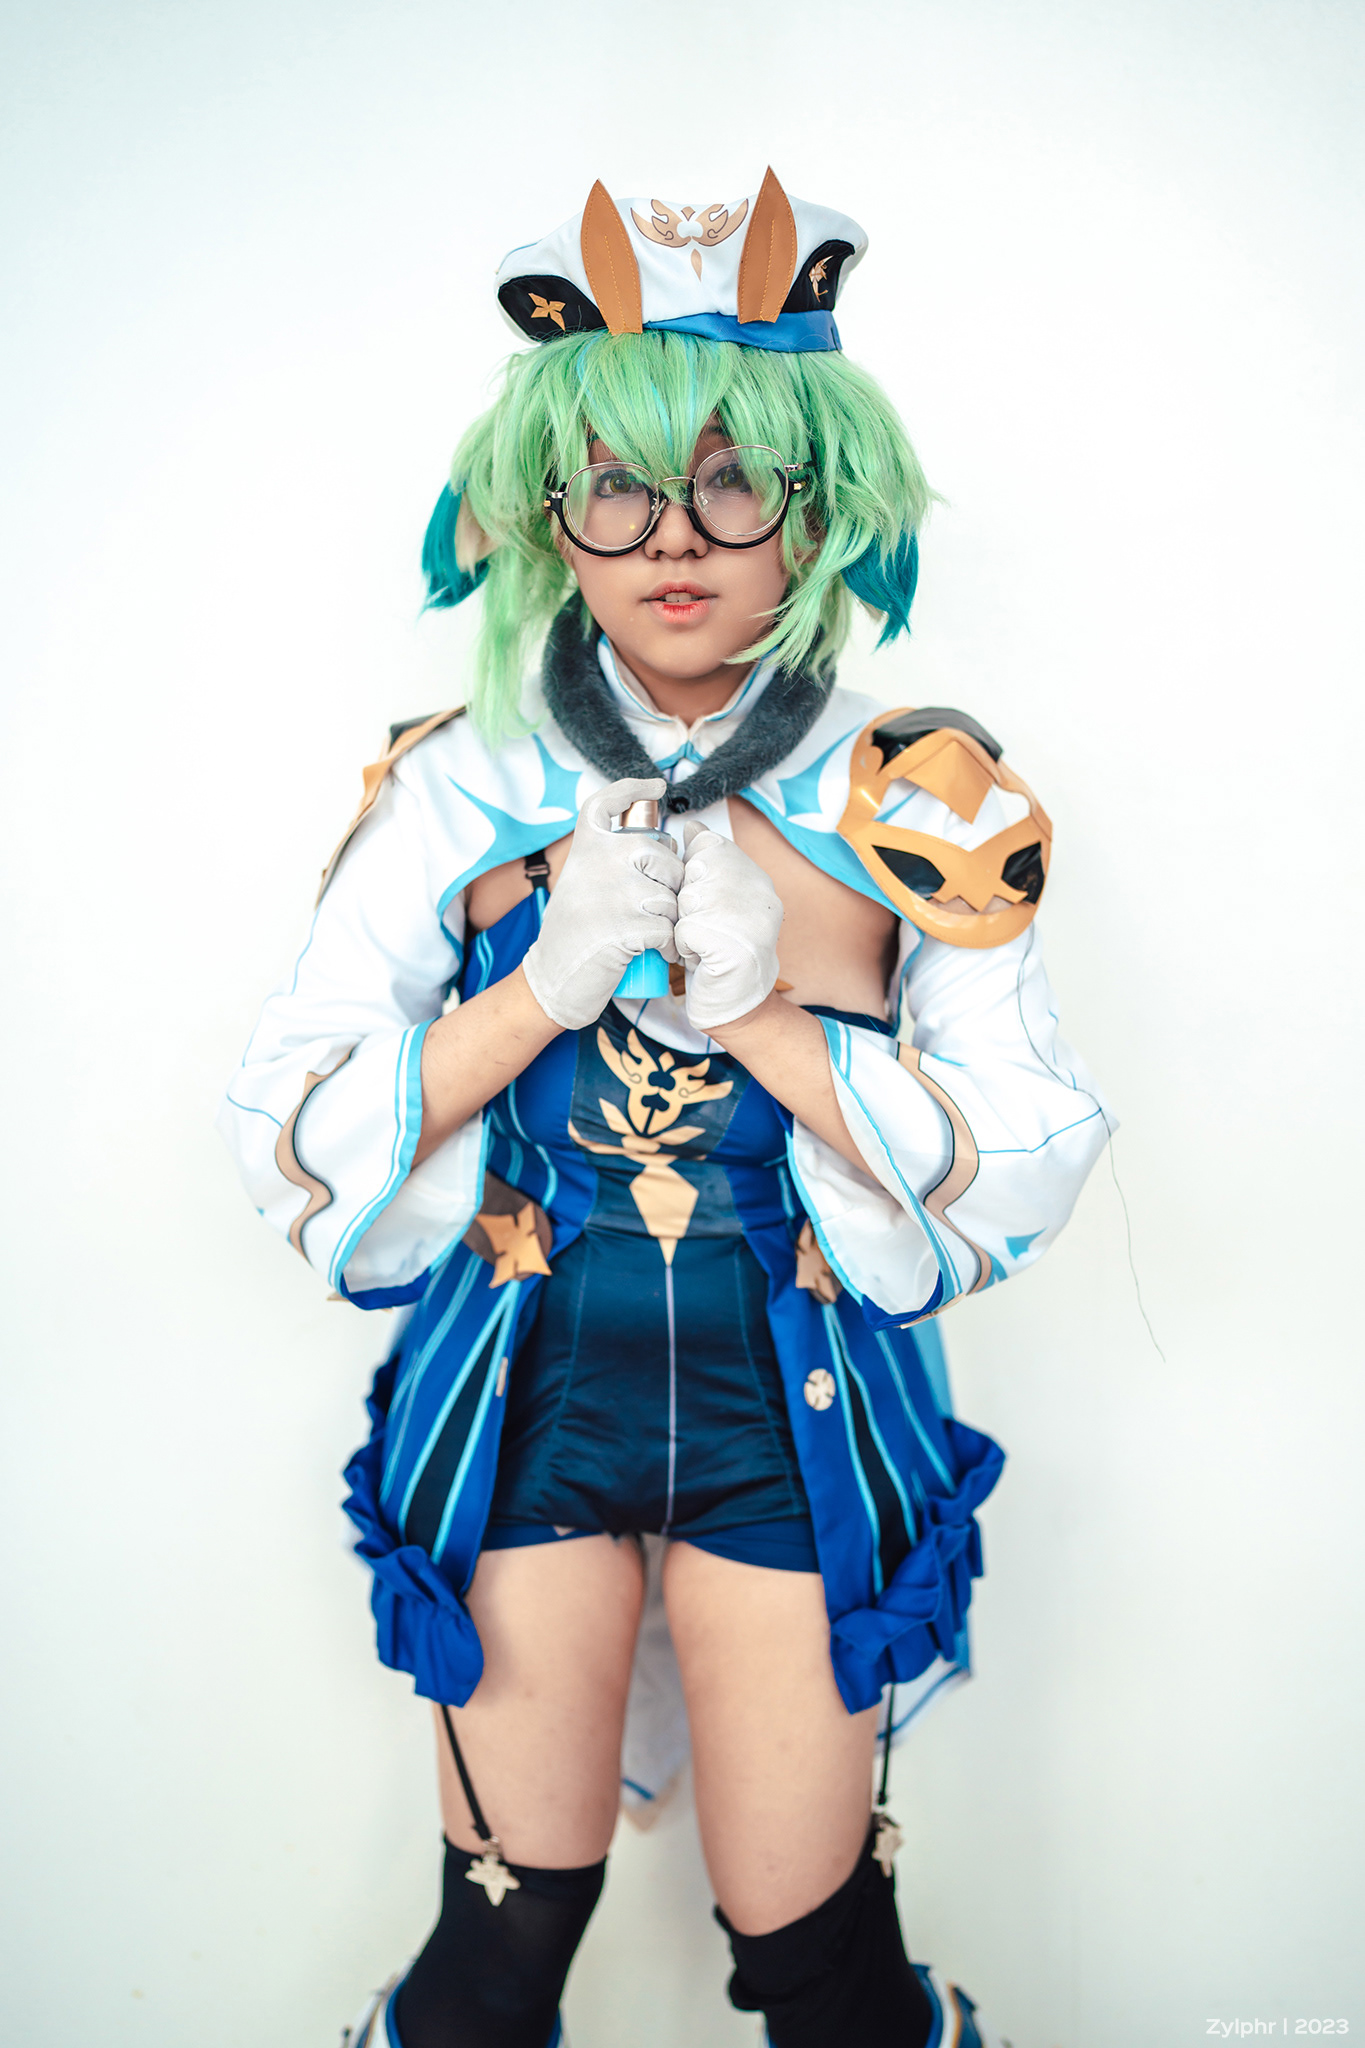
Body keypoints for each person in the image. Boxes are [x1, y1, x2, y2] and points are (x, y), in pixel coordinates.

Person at [221, 169, 1111, 2048]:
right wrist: (536, 988)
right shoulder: (459, 788)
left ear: (820, 507)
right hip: (523, 1392)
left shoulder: (916, 795)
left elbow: (1030, 1150)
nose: (672, 537)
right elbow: (283, 1130)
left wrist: (775, 1021)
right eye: (613, 486)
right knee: (494, 1959)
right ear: (548, 514)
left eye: (733, 481)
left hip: (795, 1413)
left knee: (820, 1969)